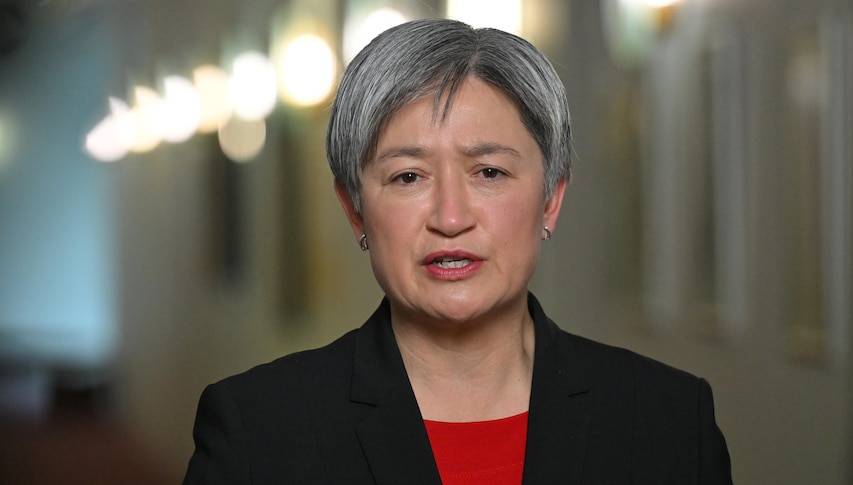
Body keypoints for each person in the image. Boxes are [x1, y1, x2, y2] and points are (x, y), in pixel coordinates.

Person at [183, 18, 732, 484]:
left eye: (489, 172)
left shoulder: (670, 421)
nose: (450, 218)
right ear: (355, 209)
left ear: (551, 200)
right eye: (407, 177)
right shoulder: (257, 430)